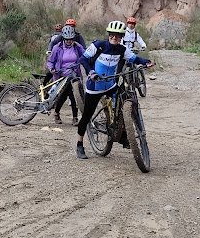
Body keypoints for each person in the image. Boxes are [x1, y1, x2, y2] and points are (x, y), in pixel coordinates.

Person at [75, 20, 156, 159]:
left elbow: (134, 58)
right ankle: (79, 144)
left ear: (121, 37)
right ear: (108, 35)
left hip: (110, 85)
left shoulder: (121, 49)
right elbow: (83, 59)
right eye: (112, 35)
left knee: (124, 102)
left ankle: (123, 134)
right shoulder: (99, 46)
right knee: (87, 116)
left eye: (118, 36)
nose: (114, 38)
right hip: (95, 86)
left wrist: (147, 62)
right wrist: (91, 72)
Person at [46, 31, 84, 124]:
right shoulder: (57, 47)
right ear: (63, 38)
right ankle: (58, 113)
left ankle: (74, 117)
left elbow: (85, 55)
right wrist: (52, 69)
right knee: (64, 95)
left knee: (73, 96)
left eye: (70, 39)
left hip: (74, 75)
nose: (68, 41)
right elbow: (50, 61)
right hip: (62, 76)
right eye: (66, 39)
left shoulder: (77, 46)